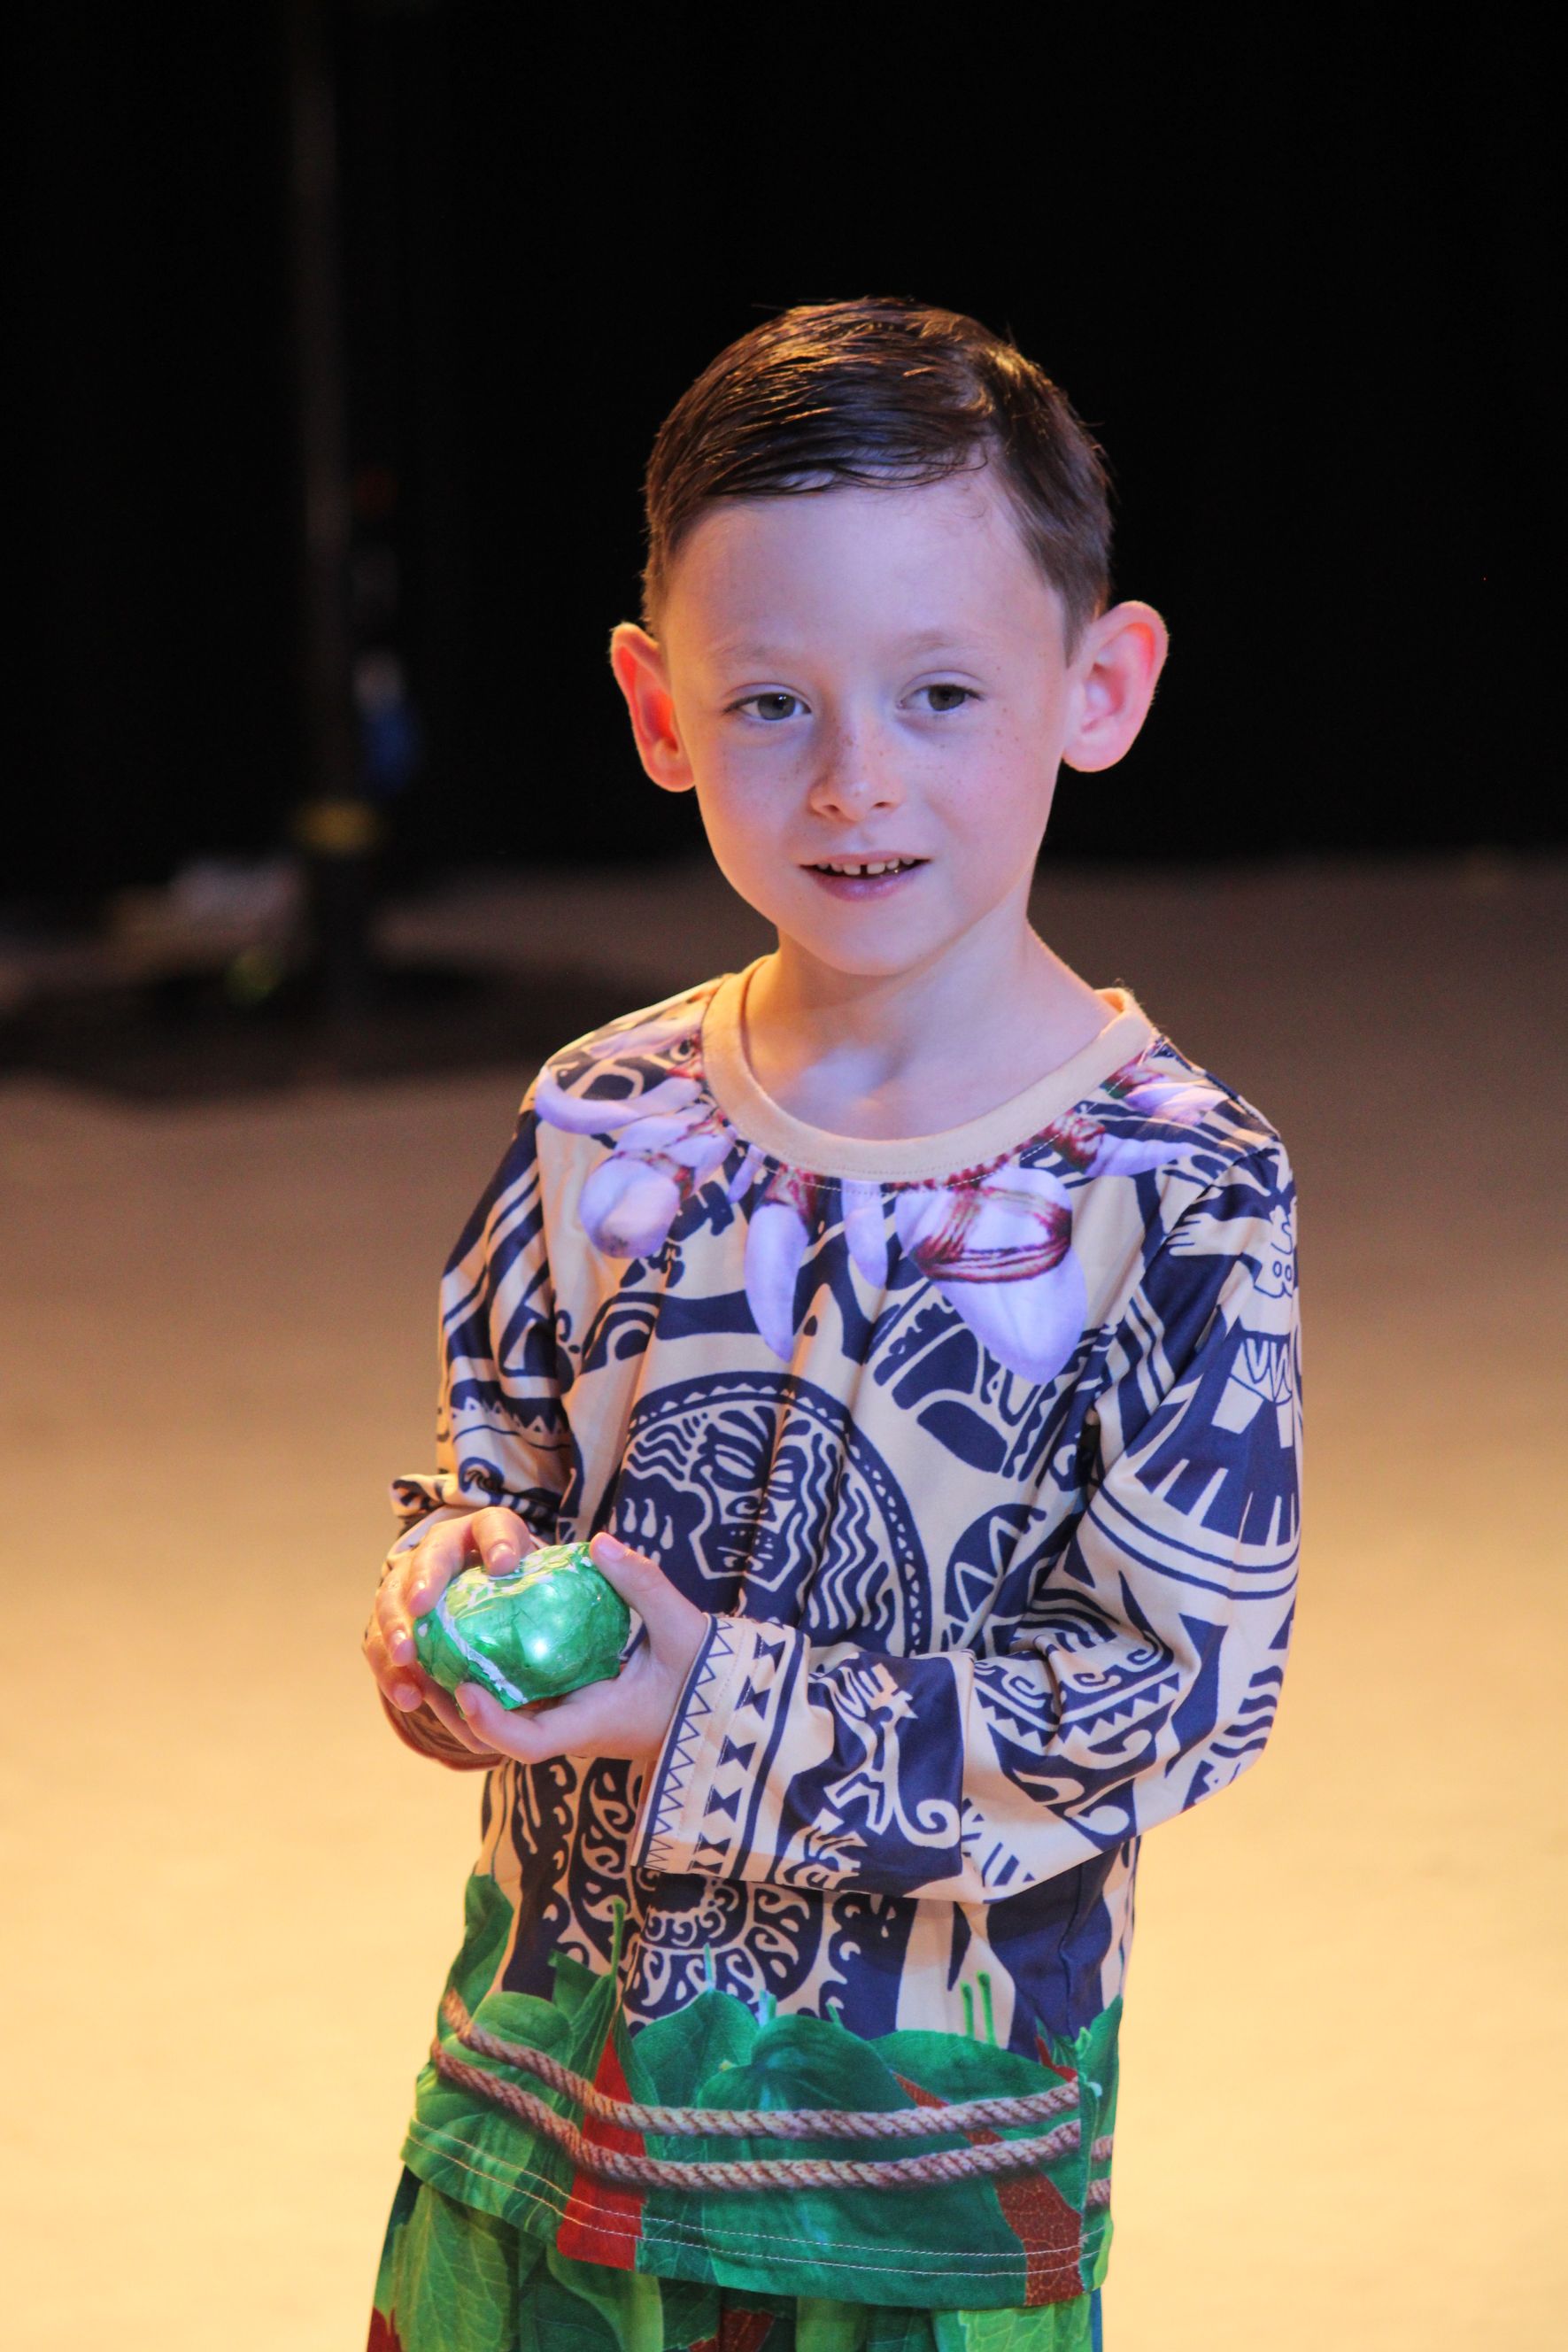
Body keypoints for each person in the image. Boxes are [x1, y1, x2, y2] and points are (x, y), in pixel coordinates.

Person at [361, 297, 1303, 2351]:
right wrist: (452, 1588)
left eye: (943, 690)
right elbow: (501, 1465)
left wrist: (703, 1704)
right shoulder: (599, 1111)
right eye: (771, 702)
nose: (857, 780)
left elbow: (1178, 1692)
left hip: (913, 2179)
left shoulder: (1172, 1189)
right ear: (657, 707)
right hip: (543, 2100)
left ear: (1099, 683)